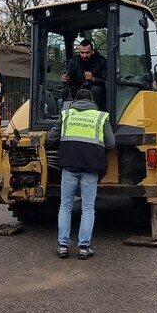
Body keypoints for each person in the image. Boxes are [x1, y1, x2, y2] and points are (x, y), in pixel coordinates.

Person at [46, 89, 116, 260]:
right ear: (92, 101)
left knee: (65, 205)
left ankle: (63, 246)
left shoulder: (66, 115)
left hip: (69, 166)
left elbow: (50, 139)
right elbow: (111, 143)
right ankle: (84, 248)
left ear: (75, 101)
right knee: (88, 207)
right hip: (91, 167)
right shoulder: (100, 116)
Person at [61, 39, 107, 108]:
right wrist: (66, 79)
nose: (84, 55)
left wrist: (93, 79)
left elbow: (106, 81)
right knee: (66, 91)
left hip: (96, 87)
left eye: (87, 53)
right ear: (79, 51)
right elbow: (70, 75)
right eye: (82, 53)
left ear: (92, 51)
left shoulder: (101, 61)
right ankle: (68, 111)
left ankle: (94, 110)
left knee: (95, 90)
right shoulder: (74, 61)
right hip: (79, 86)